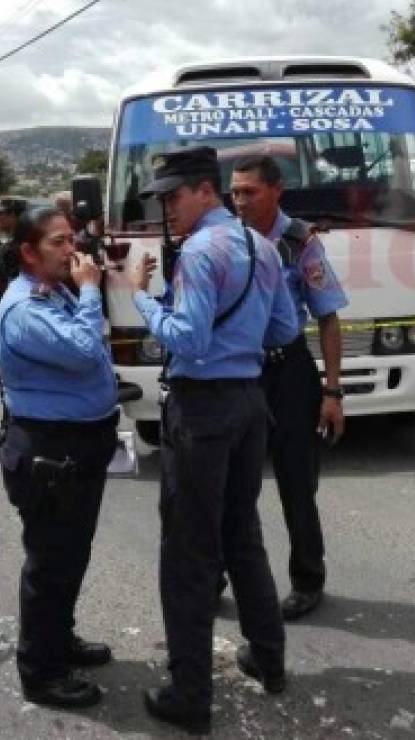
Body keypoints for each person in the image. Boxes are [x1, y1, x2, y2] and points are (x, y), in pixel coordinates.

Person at [129, 147, 300, 733]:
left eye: (172, 197)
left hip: (203, 411)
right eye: (162, 200)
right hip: (249, 406)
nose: (167, 209)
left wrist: (140, 298)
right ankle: (269, 659)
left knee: (188, 553)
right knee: (240, 534)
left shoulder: (201, 251)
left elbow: (190, 337)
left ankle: (190, 694)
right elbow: (284, 328)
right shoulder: (263, 246)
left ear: (205, 190)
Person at [0, 206, 118, 709]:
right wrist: (90, 289)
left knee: (71, 555)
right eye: (59, 243)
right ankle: (41, 673)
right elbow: (86, 349)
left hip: (77, 445)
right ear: (28, 253)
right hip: (50, 451)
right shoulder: (25, 310)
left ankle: (57, 642)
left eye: (73, 241)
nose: (72, 251)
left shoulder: (55, 291)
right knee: (51, 564)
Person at [230, 155, 348, 620]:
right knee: (230, 482)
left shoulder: (300, 242)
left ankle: (307, 580)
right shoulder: (225, 239)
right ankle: (223, 573)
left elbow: (329, 317)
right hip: (239, 371)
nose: (239, 201)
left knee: (297, 481)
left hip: (289, 371)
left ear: (276, 190)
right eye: (234, 192)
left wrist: (333, 393)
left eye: (249, 192)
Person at [0, 196, 29, 450]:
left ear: (16, 215)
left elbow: (9, 285)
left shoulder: (18, 247)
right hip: (9, 316)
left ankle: (12, 430)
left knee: (9, 376)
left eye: (2, 214)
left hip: (15, 319)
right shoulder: (15, 244)